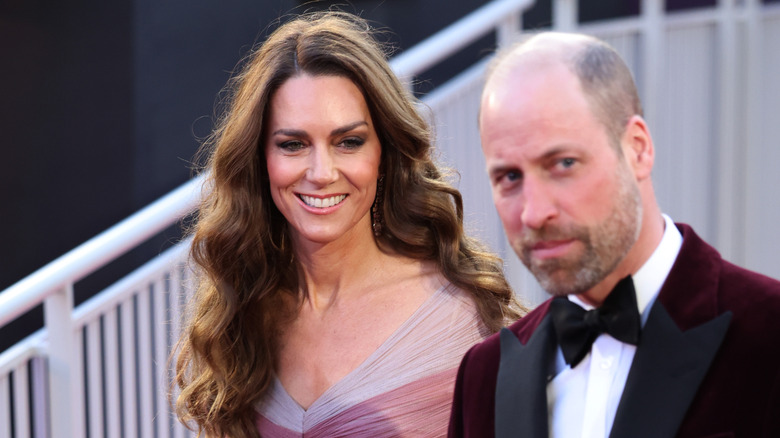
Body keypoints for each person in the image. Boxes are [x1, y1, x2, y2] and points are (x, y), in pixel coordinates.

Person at [173, 11, 524, 438]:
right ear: (260, 160)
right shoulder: (243, 313)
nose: (321, 171)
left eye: (349, 142)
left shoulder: (457, 320)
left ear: (385, 154)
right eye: (293, 144)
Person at [448, 31, 780, 438]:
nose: (534, 212)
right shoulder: (485, 374)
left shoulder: (768, 333)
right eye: (509, 176)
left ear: (638, 149)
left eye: (563, 163)